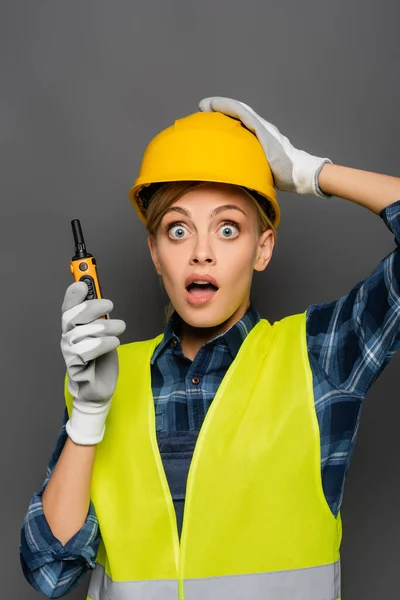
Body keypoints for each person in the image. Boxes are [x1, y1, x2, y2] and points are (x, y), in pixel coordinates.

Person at [20, 96, 400, 600]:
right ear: (156, 253)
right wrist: (88, 417)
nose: (201, 251)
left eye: (228, 228)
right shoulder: (106, 379)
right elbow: (50, 570)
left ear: (262, 248)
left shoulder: (319, 358)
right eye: (178, 230)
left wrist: (312, 173)